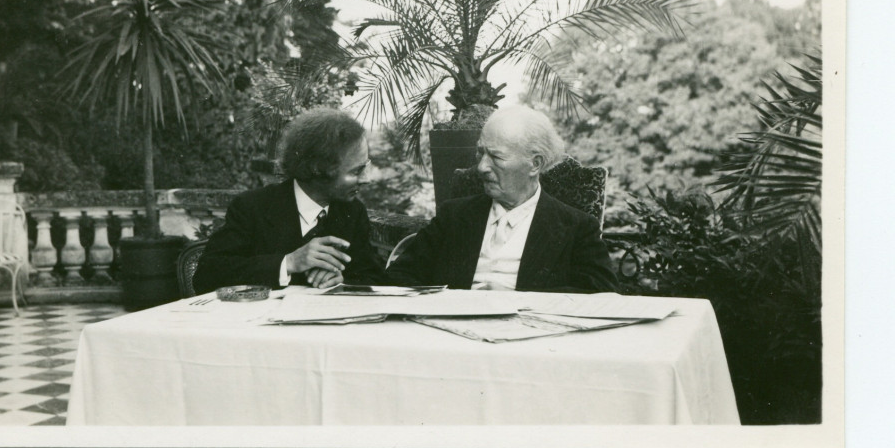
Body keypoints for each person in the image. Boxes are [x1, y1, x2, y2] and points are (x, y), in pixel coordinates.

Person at [386, 105, 617, 293]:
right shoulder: (454, 216)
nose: (482, 167)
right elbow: (400, 275)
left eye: (496, 156)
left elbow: (601, 294)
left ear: (534, 164)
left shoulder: (577, 227)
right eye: (480, 153)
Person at [192, 108, 385, 293]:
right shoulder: (252, 207)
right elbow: (207, 276)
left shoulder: (352, 211)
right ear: (318, 168)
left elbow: (373, 278)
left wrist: (342, 282)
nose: (367, 179)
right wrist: (288, 263)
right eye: (356, 171)